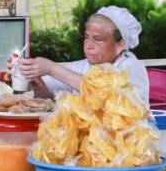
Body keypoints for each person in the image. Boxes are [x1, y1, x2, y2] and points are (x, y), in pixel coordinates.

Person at [9, 6, 149, 103]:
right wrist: (26, 78)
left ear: (120, 45)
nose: (88, 45)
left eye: (97, 39)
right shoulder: (84, 66)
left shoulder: (132, 68)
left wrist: (52, 68)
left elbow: (107, 93)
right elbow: (48, 95)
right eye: (87, 37)